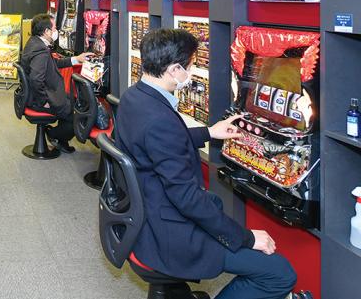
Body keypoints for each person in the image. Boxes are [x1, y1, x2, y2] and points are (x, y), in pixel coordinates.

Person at [114, 28, 302, 299]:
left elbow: (154, 143)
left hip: (144, 215)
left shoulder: (134, 96)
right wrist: (247, 237)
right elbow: (187, 198)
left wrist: (209, 132)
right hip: (169, 235)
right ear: (174, 69)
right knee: (279, 273)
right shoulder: (159, 120)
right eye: (190, 65)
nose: (191, 72)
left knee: (213, 203)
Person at [20, 13, 93, 153]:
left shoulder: (35, 42)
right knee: (77, 113)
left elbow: (53, 63)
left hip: (33, 94)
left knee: (71, 100)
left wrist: (76, 59)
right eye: (54, 28)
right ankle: (54, 134)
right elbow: (36, 79)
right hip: (38, 99)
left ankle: (60, 140)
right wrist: (44, 101)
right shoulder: (40, 51)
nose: (56, 31)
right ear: (46, 31)